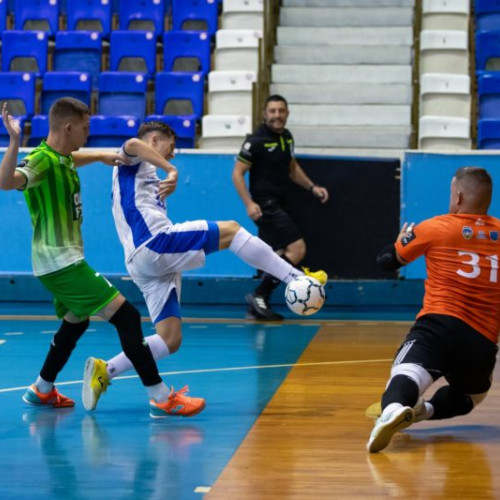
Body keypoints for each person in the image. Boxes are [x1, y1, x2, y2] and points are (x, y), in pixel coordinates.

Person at [82, 120, 327, 412]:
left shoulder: (143, 176)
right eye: (170, 148)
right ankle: (297, 278)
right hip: (154, 244)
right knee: (233, 231)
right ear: (156, 140)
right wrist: (172, 170)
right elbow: (133, 144)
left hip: (143, 264)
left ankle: (104, 371)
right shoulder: (132, 158)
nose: (172, 156)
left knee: (170, 340)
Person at [0, 99, 199, 419]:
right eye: (86, 128)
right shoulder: (41, 161)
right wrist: (12, 142)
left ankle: (42, 389)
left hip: (60, 262)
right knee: (127, 317)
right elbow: (6, 182)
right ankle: (161, 398)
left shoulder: (61, 157)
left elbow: (74, 158)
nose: (89, 135)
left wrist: (103, 156)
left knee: (75, 323)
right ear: (68, 128)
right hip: (60, 263)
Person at [367, 167, 500, 453]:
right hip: (482, 341)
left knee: (408, 371)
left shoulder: (436, 227)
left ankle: (392, 410)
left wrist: (402, 239)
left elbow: (387, 262)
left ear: (459, 196)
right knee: (472, 395)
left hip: (439, 325)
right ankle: (422, 412)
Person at [232, 94, 329, 321]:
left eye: (281, 111)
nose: (277, 115)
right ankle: (259, 294)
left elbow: (292, 167)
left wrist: (312, 187)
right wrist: (249, 203)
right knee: (297, 249)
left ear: (287, 113)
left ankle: (256, 306)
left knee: (274, 255)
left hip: (282, 202)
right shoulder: (255, 141)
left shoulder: (286, 137)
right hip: (265, 205)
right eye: (272, 111)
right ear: (265, 114)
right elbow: (237, 173)